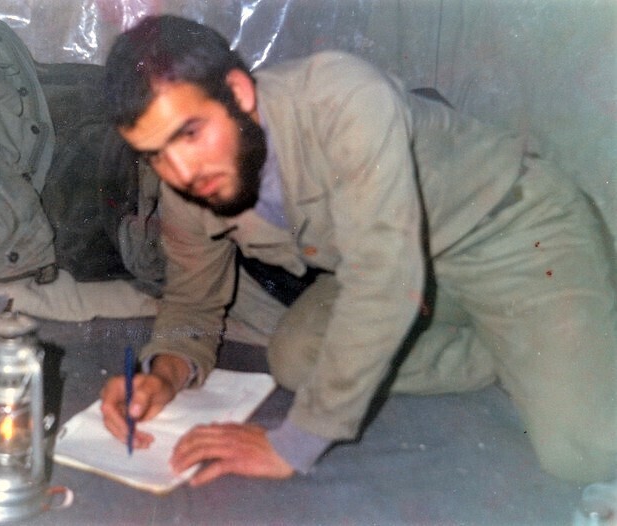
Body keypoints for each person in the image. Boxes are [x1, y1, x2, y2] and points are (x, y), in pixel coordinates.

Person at [100, 14, 617, 486]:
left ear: (238, 91)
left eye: (190, 133)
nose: (181, 171)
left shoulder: (340, 96)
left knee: (585, 451)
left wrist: (293, 444)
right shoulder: (186, 185)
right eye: (155, 154)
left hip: (512, 233)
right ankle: (512, 350)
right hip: (415, 275)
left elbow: (381, 280)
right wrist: (163, 374)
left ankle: (552, 345)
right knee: (297, 358)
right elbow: (192, 302)